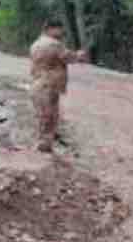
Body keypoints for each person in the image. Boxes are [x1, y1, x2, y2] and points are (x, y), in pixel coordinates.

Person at [30, 19, 89, 152]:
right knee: (49, 116)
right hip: (49, 84)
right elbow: (69, 57)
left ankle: (46, 143)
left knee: (43, 114)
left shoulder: (36, 43)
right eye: (59, 29)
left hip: (38, 82)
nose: (62, 32)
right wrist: (79, 55)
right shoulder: (53, 44)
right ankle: (44, 147)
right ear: (51, 28)